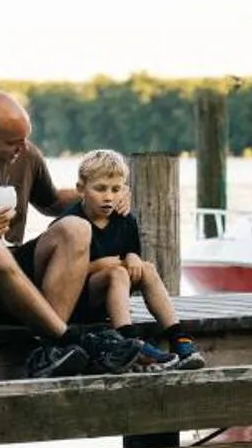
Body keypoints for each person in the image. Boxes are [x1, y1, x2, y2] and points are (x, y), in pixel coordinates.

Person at [0, 90, 142, 374]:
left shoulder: (25, 154)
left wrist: (103, 194)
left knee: (76, 227)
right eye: (13, 142)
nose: (22, 148)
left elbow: (52, 202)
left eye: (24, 139)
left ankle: (49, 350)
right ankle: (64, 338)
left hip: (14, 269)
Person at [70, 150, 206, 369]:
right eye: (100, 189)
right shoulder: (71, 223)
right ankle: (130, 341)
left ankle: (178, 336)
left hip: (113, 293)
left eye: (116, 189)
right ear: (80, 189)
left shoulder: (125, 220)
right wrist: (114, 263)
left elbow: (131, 251)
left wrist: (133, 257)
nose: (109, 197)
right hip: (80, 300)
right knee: (117, 272)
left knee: (148, 268)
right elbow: (68, 272)